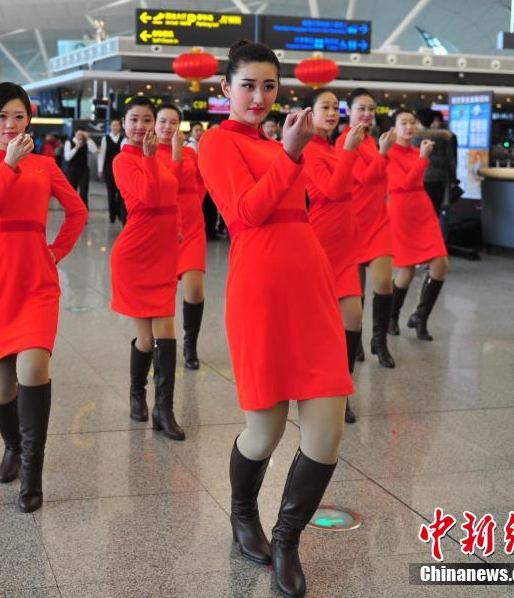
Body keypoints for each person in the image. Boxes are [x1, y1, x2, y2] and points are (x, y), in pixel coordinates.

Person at [198, 40, 351, 596]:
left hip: (310, 285)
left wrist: (323, 147)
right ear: (225, 89)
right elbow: (245, 212)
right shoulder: (215, 144)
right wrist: (288, 154)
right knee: (262, 433)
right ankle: (244, 516)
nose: (259, 96)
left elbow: (328, 194)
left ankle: (287, 540)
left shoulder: (286, 141)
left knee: (326, 431)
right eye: (247, 85)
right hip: (259, 289)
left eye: (268, 85)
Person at [0, 82, 87, 512]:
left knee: (33, 367)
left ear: (28, 119)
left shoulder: (46, 166)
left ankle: (32, 474)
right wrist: (9, 165)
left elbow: (78, 211)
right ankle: (13, 446)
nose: (10, 125)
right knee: (1, 387)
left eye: (18, 116)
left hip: (36, 278)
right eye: (1, 117)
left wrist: (56, 250)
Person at [111, 96, 184, 441]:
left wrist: (178, 227)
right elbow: (150, 196)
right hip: (136, 253)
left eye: (146, 120)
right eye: (134, 120)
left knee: (166, 328)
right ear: (123, 125)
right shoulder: (123, 161)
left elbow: (172, 198)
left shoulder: (163, 158)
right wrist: (151, 157)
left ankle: (164, 409)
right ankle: (138, 392)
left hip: (165, 249)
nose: (141, 126)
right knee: (147, 336)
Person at [302, 88, 367, 424]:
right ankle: (322, 389)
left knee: (353, 319)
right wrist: (350, 152)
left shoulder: (331, 146)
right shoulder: (310, 150)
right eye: (324, 107)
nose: (331, 113)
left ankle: (342, 390)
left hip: (346, 247)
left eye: (334, 107)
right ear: (309, 114)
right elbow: (331, 190)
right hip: (322, 244)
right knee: (325, 325)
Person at [337, 89, 397, 369]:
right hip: (353, 221)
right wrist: (383, 155)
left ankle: (379, 341)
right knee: (356, 292)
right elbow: (363, 177)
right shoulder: (344, 141)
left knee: (384, 283)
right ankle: (357, 338)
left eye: (371, 109)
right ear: (348, 111)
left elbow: (381, 178)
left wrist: (381, 153)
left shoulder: (373, 141)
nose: (367, 114)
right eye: (361, 108)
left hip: (379, 220)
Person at [382, 109, 448, 341]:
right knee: (406, 269)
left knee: (440, 263)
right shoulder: (388, 152)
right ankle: (391, 316)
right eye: (403, 123)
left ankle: (420, 317)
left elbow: (416, 181)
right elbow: (406, 183)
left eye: (412, 122)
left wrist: (421, 157)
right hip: (402, 210)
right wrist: (423, 158)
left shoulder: (415, 151)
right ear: (394, 128)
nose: (409, 127)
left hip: (423, 207)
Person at [155, 104, 207, 371]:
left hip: (192, 227)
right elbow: (168, 186)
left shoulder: (190, 153)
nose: (167, 127)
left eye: (173, 122)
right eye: (162, 121)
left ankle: (190, 344)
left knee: (195, 290)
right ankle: (159, 344)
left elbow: (202, 181)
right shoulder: (149, 154)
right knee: (161, 295)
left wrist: (194, 203)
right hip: (163, 228)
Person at [414, 109, 457, 232]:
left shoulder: (411, 136)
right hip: (439, 179)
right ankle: (433, 240)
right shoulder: (446, 136)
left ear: (417, 120)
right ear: (433, 120)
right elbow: (451, 160)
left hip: (418, 178)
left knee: (418, 213)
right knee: (435, 212)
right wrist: (453, 179)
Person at [98, 119, 126, 223]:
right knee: (110, 192)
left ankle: (119, 212)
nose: (115, 127)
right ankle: (112, 215)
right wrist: (100, 168)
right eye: (113, 125)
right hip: (108, 168)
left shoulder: (123, 139)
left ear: (120, 126)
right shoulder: (105, 138)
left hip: (120, 169)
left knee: (120, 192)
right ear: (110, 126)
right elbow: (102, 154)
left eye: (117, 125)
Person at [64, 129, 98, 209]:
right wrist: (76, 148)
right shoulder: (69, 142)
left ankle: (84, 213)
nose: (80, 135)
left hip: (84, 171)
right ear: (75, 133)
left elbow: (94, 150)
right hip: (72, 171)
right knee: (72, 193)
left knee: (83, 193)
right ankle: (72, 212)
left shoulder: (86, 142)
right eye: (78, 133)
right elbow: (67, 157)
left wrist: (88, 138)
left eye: (82, 134)